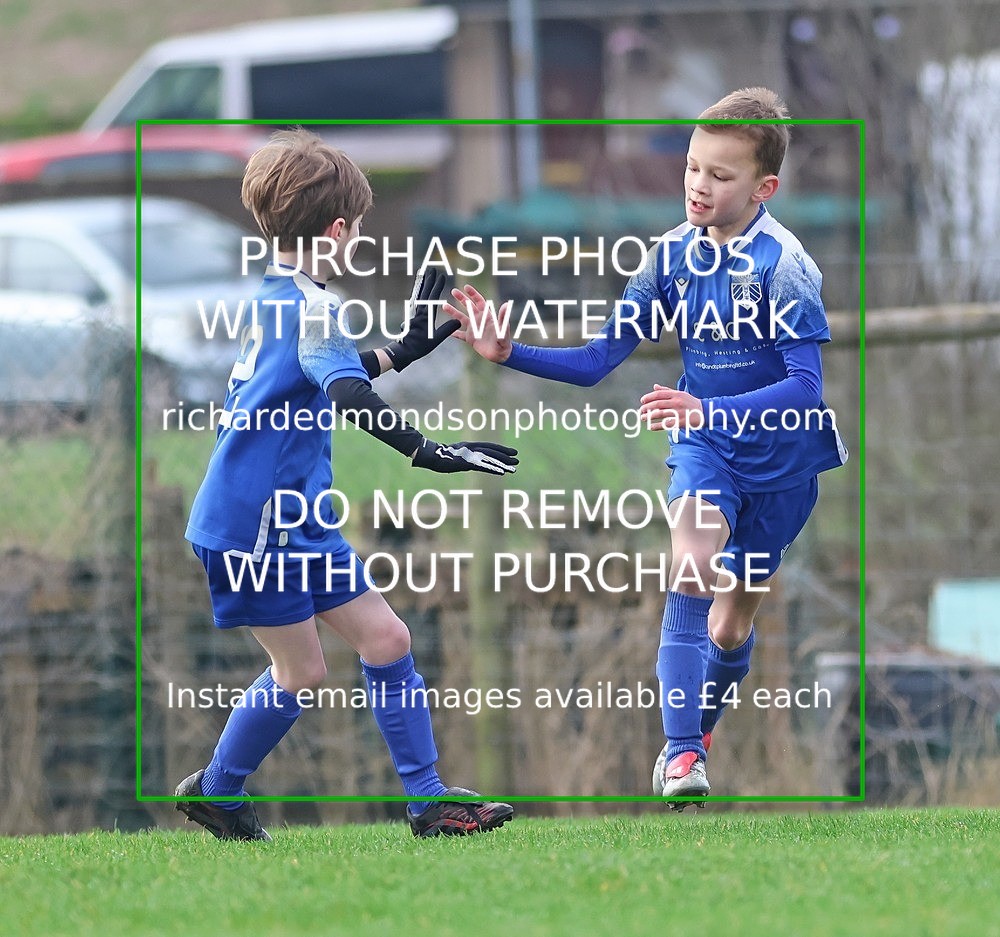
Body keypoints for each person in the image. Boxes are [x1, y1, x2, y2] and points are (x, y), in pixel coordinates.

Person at [443, 88, 847, 807]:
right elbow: (600, 358)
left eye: (720, 176)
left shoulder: (784, 266)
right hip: (706, 449)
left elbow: (804, 388)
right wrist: (509, 354)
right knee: (691, 565)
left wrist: (707, 403)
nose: (699, 184)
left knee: (731, 623)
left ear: (764, 187)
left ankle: (697, 730)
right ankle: (683, 750)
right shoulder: (669, 259)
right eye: (692, 167)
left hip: (785, 465)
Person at [176, 128, 518, 840]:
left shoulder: (284, 293)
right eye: (358, 228)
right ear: (337, 230)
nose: (360, 238)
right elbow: (346, 395)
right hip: (256, 527)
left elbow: (325, 371)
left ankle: (427, 802)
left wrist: (401, 349)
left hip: (294, 519)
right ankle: (217, 789)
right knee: (302, 673)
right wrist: (431, 451)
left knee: (387, 638)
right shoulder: (312, 307)